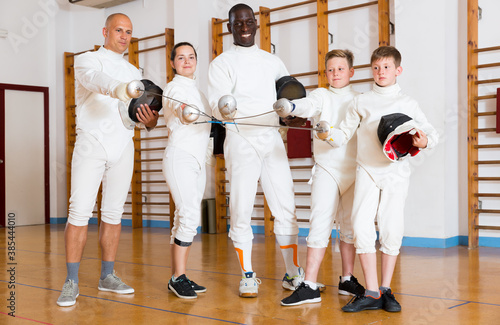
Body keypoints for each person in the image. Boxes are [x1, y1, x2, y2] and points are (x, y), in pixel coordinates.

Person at [57, 13, 159, 307]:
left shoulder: (133, 70)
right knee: (79, 212)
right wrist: (123, 89)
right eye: (119, 30)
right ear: (105, 31)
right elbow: (97, 81)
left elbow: (141, 119)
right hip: (92, 143)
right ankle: (71, 281)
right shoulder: (87, 60)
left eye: (128, 31)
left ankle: (107, 276)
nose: (124, 36)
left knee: (113, 214)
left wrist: (149, 121)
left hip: (123, 145)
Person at [327, 46, 438, 312]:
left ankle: (386, 289)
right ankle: (372, 291)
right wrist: (325, 133)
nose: (381, 72)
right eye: (376, 67)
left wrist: (423, 141)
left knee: (391, 228)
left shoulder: (408, 103)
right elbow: (341, 134)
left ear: (398, 70)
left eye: (386, 67)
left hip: (395, 173)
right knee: (360, 225)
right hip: (366, 170)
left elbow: (430, 135)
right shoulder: (361, 101)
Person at [207, 3, 303, 298]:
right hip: (240, 139)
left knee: (286, 205)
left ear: (256, 24)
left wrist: (290, 114)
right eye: (239, 23)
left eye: (249, 21)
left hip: (271, 139)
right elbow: (217, 105)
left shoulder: (272, 61)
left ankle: (292, 273)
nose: (245, 27)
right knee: (241, 208)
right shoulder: (221, 64)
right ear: (230, 27)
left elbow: (287, 95)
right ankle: (247, 274)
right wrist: (225, 106)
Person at [278, 49, 365, 306]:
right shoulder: (321, 95)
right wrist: (291, 106)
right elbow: (307, 105)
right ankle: (310, 285)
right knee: (319, 225)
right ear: (325, 73)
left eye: (340, 68)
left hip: (355, 171)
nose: (335, 73)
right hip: (327, 169)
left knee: (349, 229)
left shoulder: (361, 99)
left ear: (351, 71)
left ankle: (347, 279)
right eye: (330, 69)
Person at [161, 42, 211, 299]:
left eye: (191, 57)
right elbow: (176, 105)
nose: (187, 61)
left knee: (185, 218)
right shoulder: (173, 87)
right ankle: (177, 277)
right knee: (189, 215)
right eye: (181, 57)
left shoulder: (200, 93)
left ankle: (177, 276)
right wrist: (184, 110)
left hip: (197, 161)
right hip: (179, 157)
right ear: (173, 63)